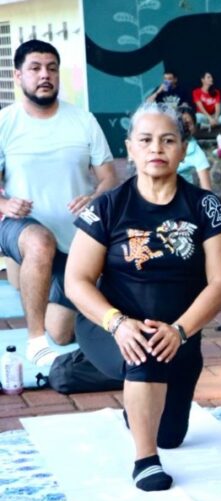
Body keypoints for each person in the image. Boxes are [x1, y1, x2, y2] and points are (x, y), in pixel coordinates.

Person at [66, 103, 221, 492]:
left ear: (183, 149)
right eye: (145, 140)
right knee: (145, 352)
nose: (156, 148)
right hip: (111, 325)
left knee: (171, 435)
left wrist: (180, 331)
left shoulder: (204, 206)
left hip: (180, 333)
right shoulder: (108, 206)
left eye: (168, 140)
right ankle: (145, 461)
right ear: (130, 148)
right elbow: (77, 280)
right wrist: (117, 323)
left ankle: (139, 399)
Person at [0, 39, 118, 366]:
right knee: (40, 242)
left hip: (76, 239)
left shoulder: (83, 120)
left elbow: (109, 178)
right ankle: (35, 341)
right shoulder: (5, 122)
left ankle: (47, 296)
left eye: (52, 68)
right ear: (18, 76)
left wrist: (94, 198)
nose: (45, 75)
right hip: (20, 229)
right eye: (35, 68)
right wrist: (4, 205)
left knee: (62, 332)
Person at [176, 106, 212, 190]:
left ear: (195, 126)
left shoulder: (197, 153)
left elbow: (207, 189)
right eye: (180, 123)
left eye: (188, 124)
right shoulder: (162, 144)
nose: (184, 127)